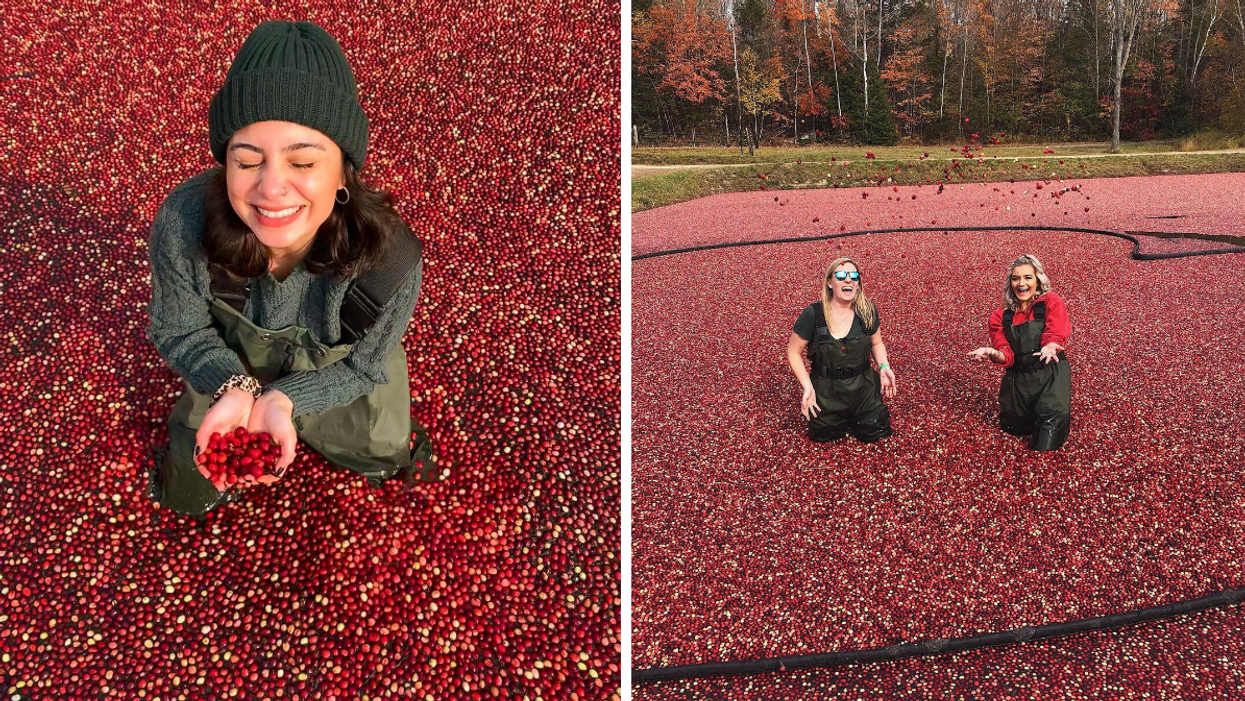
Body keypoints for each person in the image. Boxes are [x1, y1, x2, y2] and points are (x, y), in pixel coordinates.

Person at [145, 20, 438, 518]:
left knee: (383, 453)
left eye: (303, 163)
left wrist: (282, 399)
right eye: (247, 160)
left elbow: (362, 367)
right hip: (229, 367)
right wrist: (233, 387)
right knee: (186, 490)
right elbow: (181, 328)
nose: (271, 189)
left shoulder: (389, 260)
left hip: (338, 373)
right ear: (225, 164)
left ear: (345, 170)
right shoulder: (184, 223)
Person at [786, 257, 896, 443]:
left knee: (875, 430)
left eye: (854, 276)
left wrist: (884, 366)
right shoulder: (813, 314)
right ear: (830, 282)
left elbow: (877, 343)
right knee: (824, 436)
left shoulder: (867, 310)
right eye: (841, 275)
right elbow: (793, 352)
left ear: (858, 283)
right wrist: (807, 386)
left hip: (864, 389)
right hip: (827, 392)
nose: (848, 280)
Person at [969, 254, 1071, 451]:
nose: (1021, 283)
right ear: (1010, 283)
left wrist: (1050, 345)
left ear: (1037, 280)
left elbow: (1056, 329)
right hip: (1018, 382)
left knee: (1045, 440)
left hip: (1050, 377)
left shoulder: (1051, 301)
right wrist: (992, 352)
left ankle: (1055, 414)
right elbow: (1007, 356)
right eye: (1016, 278)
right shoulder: (1000, 316)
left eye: (1027, 277)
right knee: (1012, 429)